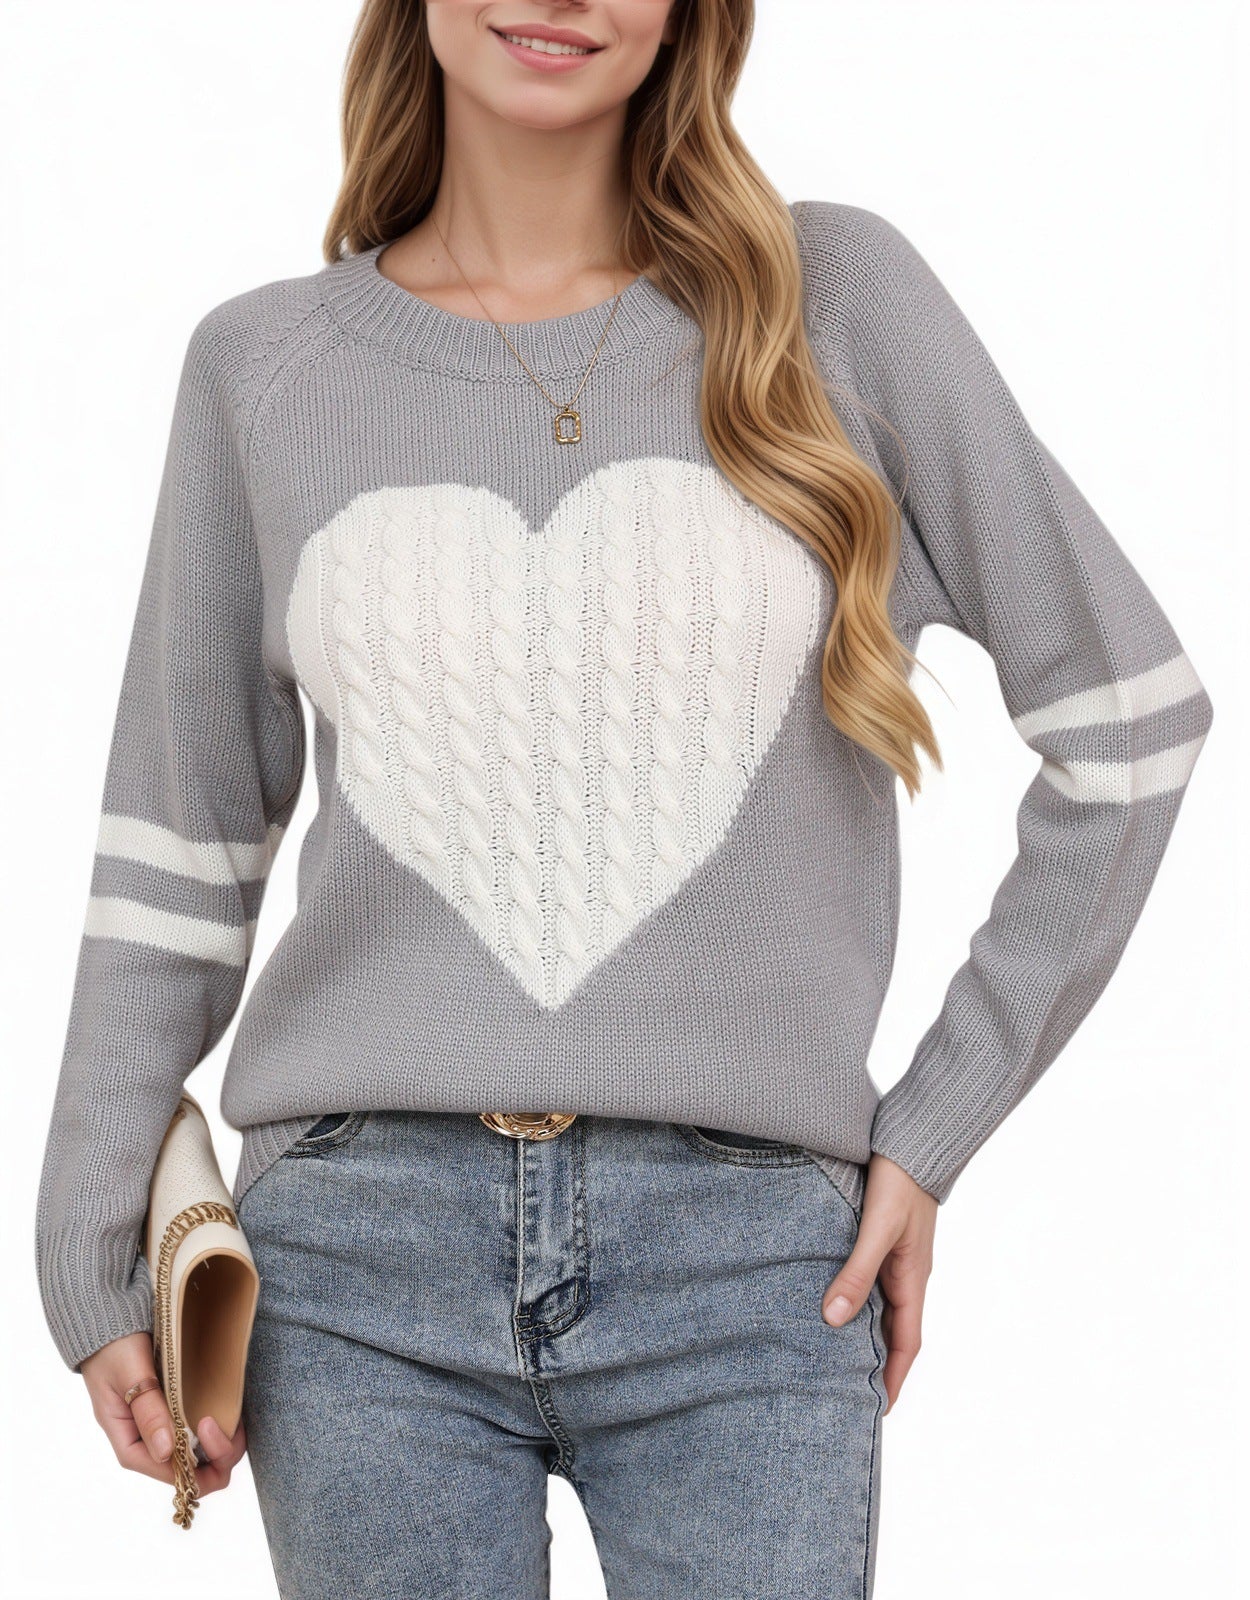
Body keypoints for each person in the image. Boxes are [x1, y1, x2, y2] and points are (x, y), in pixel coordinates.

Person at [33, 3, 1214, 1595]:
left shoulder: (835, 300)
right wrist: (87, 1235)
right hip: (352, 1268)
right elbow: (180, 852)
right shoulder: (264, 369)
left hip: (754, 1267)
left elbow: (1129, 726)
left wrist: (928, 1133)